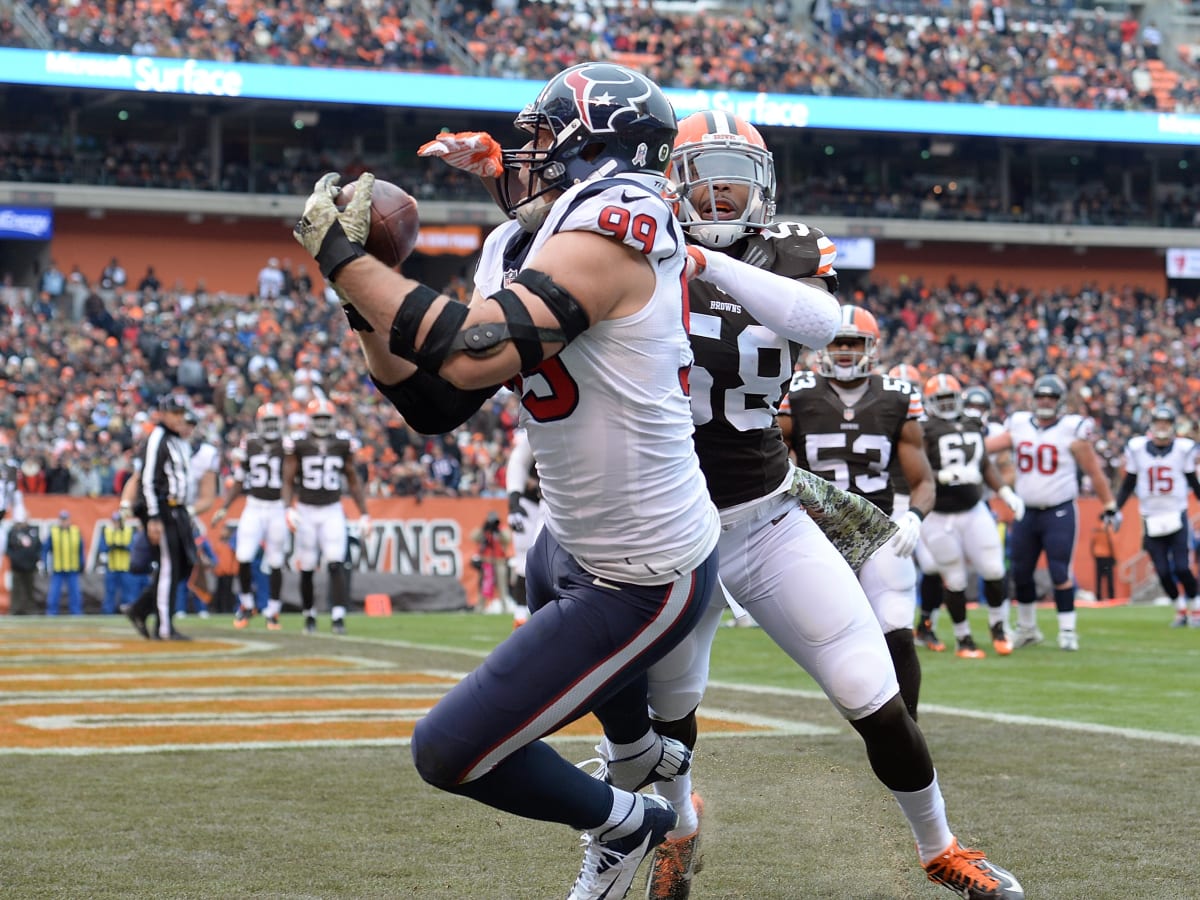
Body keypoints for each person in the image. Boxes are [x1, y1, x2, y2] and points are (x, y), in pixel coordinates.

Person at [297, 62, 721, 899]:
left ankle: (633, 825)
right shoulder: (519, 242)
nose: (519, 158)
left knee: (451, 750)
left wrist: (349, 259)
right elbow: (434, 401)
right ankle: (642, 762)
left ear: (594, 148)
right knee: (585, 713)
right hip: (568, 542)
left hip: (644, 575)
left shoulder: (624, 214)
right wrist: (356, 300)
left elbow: (471, 347)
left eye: (538, 141)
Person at [628, 111, 1022, 900]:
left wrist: (700, 259)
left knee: (871, 694)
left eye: (734, 171)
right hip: (671, 523)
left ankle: (939, 846)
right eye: (703, 170)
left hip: (763, 517)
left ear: (764, 184)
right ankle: (679, 828)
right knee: (670, 710)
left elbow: (820, 321)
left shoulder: (790, 252)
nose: (718, 186)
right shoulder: (631, 239)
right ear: (674, 177)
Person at [779, 304, 937, 719]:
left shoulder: (897, 396)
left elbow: (923, 480)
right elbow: (772, 456)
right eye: (837, 341)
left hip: (876, 526)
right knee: (835, 637)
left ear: (872, 347)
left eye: (854, 342)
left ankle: (909, 727)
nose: (845, 351)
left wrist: (914, 516)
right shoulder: (798, 390)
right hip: (812, 527)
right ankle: (870, 712)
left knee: (897, 628)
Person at [986, 373, 1118, 651]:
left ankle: (1067, 630)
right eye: (1041, 396)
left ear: (1059, 402)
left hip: (1058, 510)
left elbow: (1093, 471)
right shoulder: (1019, 424)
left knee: (1059, 571)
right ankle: (1027, 628)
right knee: (1021, 573)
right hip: (1025, 511)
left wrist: (1108, 504)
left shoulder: (1072, 429)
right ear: (1033, 399)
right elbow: (985, 449)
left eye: (1051, 397)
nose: (1045, 401)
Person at [914, 374, 1026, 659]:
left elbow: (986, 463)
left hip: (974, 510)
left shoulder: (973, 423)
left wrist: (1004, 491)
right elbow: (914, 469)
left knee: (994, 570)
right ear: (929, 402)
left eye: (951, 398)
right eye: (940, 400)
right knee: (955, 579)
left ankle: (998, 627)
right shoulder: (923, 429)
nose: (947, 404)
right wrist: (941, 475)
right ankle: (963, 638)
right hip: (939, 515)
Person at [281, 396, 369, 635]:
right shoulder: (298, 443)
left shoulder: (343, 443)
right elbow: (288, 478)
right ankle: (309, 615)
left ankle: (338, 616)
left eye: (325, 418)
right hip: (307, 509)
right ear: (310, 420)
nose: (321, 422)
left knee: (336, 561)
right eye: (317, 418)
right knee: (307, 565)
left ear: (332, 420)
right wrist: (288, 508)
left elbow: (352, 479)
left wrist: (364, 513)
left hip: (332, 509)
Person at [1112, 404, 1200, 626]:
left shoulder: (1183, 449)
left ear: (1172, 426)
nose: (1162, 427)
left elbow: (1193, 482)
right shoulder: (1138, 449)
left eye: (1166, 423)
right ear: (1151, 425)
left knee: (1181, 567)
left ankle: (1196, 606)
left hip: (1176, 515)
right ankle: (1180, 610)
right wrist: (1114, 508)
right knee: (1161, 570)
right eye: (1159, 422)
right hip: (1150, 518)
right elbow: (1128, 484)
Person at [123, 395, 197, 641]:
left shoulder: (177, 440)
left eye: (181, 413)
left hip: (178, 510)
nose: (179, 418)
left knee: (181, 566)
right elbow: (148, 478)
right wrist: (153, 516)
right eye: (174, 413)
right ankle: (164, 627)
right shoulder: (158, 438)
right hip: (163, 509)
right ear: (163, 414)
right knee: (168, 568)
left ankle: (140, 609)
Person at [211, 402, 290, 630]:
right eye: (268, 422)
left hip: (276, 507)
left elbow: (291, 479)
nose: (272, 426)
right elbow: (238, 480)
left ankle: (273, 611)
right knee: (243, 556)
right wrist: (225, 506)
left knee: (275, 561)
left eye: (275, 421)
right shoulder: (250, 444)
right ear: (259, 423)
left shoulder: (288, 446)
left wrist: (290, 507)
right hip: (254, 506)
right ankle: (246, 603)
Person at [469, 510, 511, 614]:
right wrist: (483, 528)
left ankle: (505, 607)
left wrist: (498, 531)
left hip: (499, 562)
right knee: (484, 586)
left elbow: (507, 539)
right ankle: (480, 608)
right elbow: (473, 537)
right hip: (486, 562)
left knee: (502, 587)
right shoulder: (485, 530)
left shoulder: (501, 529)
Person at [97, 509, 138, 615]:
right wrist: (110, 547)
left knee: (128, 592)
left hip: (125, 567)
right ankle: (108, 611)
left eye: (117, 521)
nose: (115, 523)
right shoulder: (108, 532)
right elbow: (102, 547)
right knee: (110, 591)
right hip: (112, 566)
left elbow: (134, 546)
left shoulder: (129, 531)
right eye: (114, 521)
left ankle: (129, 611)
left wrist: (124, 547)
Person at [45, 509, 85, 615]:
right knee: (54, 592)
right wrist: (45, 564)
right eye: (62, 520)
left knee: (75, 592)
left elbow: (80, 549)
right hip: (58, 567)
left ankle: (76, 612)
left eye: (66, 519)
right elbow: (45, 549)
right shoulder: (54, 532)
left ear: (69, 520)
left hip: (72, 567)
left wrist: (82, 563)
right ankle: (52, 612)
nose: (64, 522)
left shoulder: (75, 531)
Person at [6, 514, 42, 615]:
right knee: (16, 590)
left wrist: (35, 559)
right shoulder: (13, 531)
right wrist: (15, 558)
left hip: (30, 567)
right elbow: (8, 548)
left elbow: (39, 547)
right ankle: (15, 610)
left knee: (30, 589)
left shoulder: (33, 531)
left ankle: (30, 610)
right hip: (17, 567)